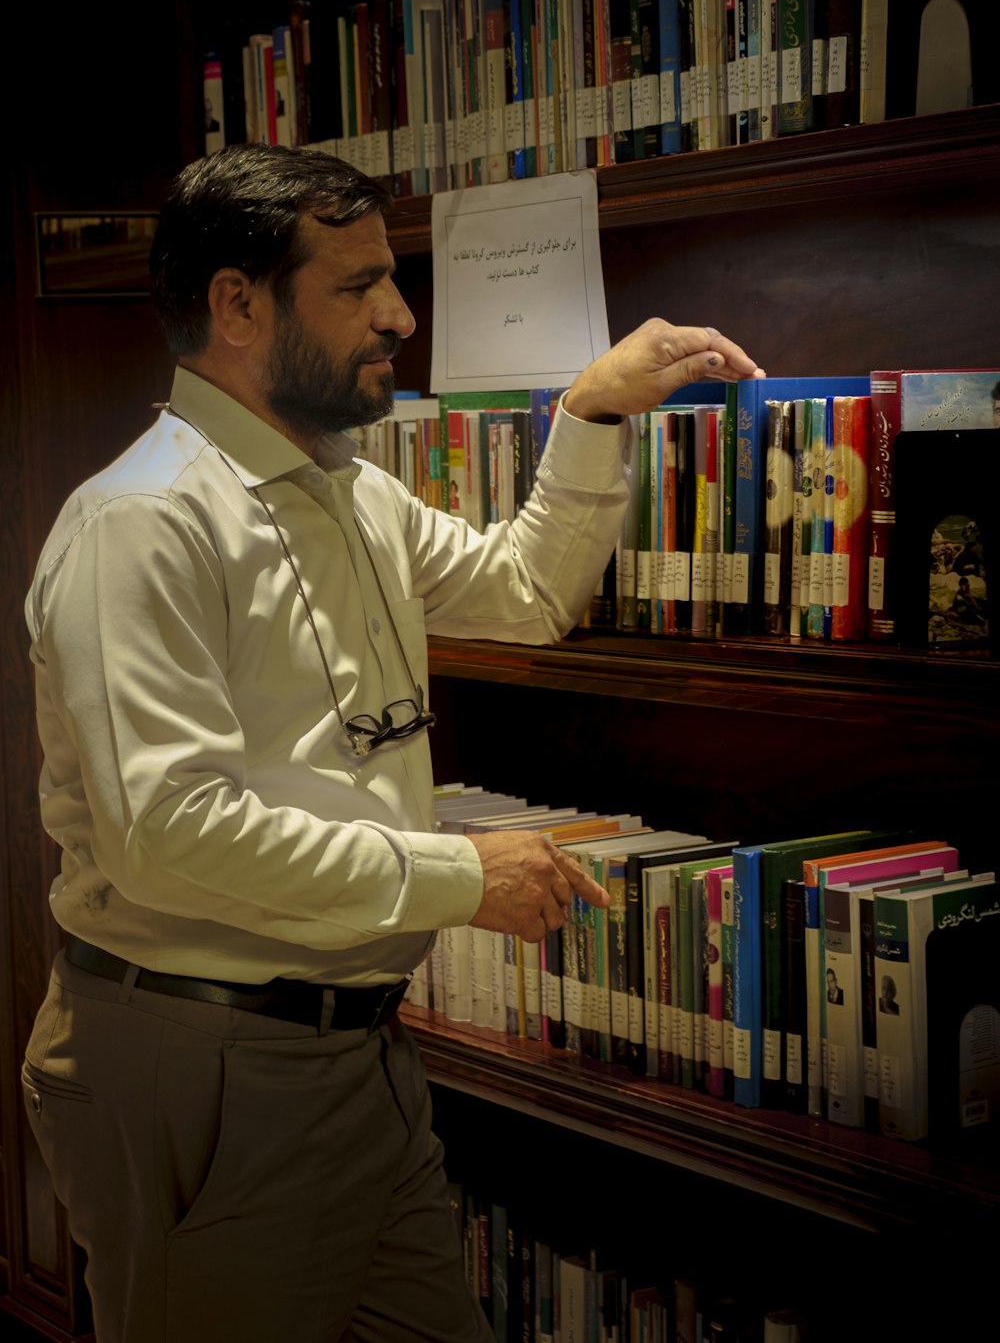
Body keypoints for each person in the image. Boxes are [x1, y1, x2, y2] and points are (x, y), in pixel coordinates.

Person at [21, 142, 764, 1343]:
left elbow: (524, 594)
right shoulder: (143, 523)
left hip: (356, 1053)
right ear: (237, 305)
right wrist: (463, 878)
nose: (399, 315)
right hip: (202, 1054)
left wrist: (587, 412)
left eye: (394, 279)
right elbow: (169, 839)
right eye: (357, 284)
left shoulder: (351, 491)